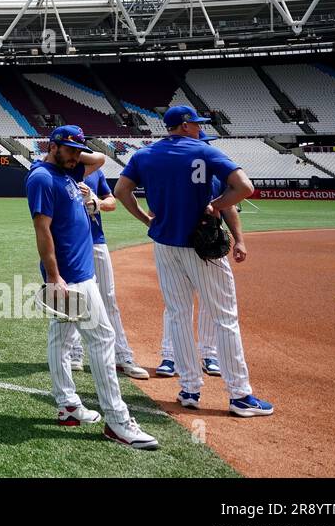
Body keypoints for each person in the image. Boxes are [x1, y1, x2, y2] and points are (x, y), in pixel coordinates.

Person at [114, 106, 273, 418]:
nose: (199, 129)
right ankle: (239, 395)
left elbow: (121, 191)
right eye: (196, 124)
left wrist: (146, 219)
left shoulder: (144, 155)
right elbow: (245, 187)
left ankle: (189, 389)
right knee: (224, 318)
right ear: (185, 126)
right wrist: (216, 205)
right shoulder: (203, 150)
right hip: (201, 246)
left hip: (164, 244)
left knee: (178, 314)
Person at [28, 126, 158, 449]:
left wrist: (75, 153)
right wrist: (54, 277)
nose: (76, 156)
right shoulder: (43, 178)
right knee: (102, 339)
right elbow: (42, 231)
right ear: (52, 146)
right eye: (69, 150)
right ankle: (117, 421)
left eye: (78, 150)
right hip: (72, 277)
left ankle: (68, 405)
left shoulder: (68, 170)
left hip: (79, 273)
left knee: (60, 337)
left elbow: (98, 158)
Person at [62, 163, 151, 380]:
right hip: (70, 244)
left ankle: (122, 356)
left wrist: (97, 202)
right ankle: (74, 353)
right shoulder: (55, 173)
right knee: (72, 298)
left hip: (96, 241)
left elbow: (111, 201)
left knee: (108, 298)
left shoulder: (95, 172)